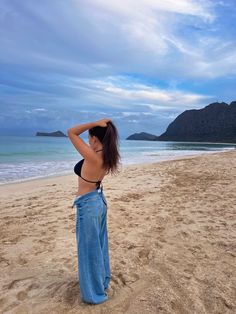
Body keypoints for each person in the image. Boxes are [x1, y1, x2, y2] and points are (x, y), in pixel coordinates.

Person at [67, 118, 120, 304]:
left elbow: (71, 131)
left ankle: (94, 294)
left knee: (89, 250)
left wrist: (94, 123)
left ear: (95, 138)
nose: (88, 140)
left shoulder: (93, 156)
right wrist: (98, 128)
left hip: (89, 205)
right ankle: (101, 282)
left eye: (90, 137)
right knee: (99, 246)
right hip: (98, 201)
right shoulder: (107, 155)